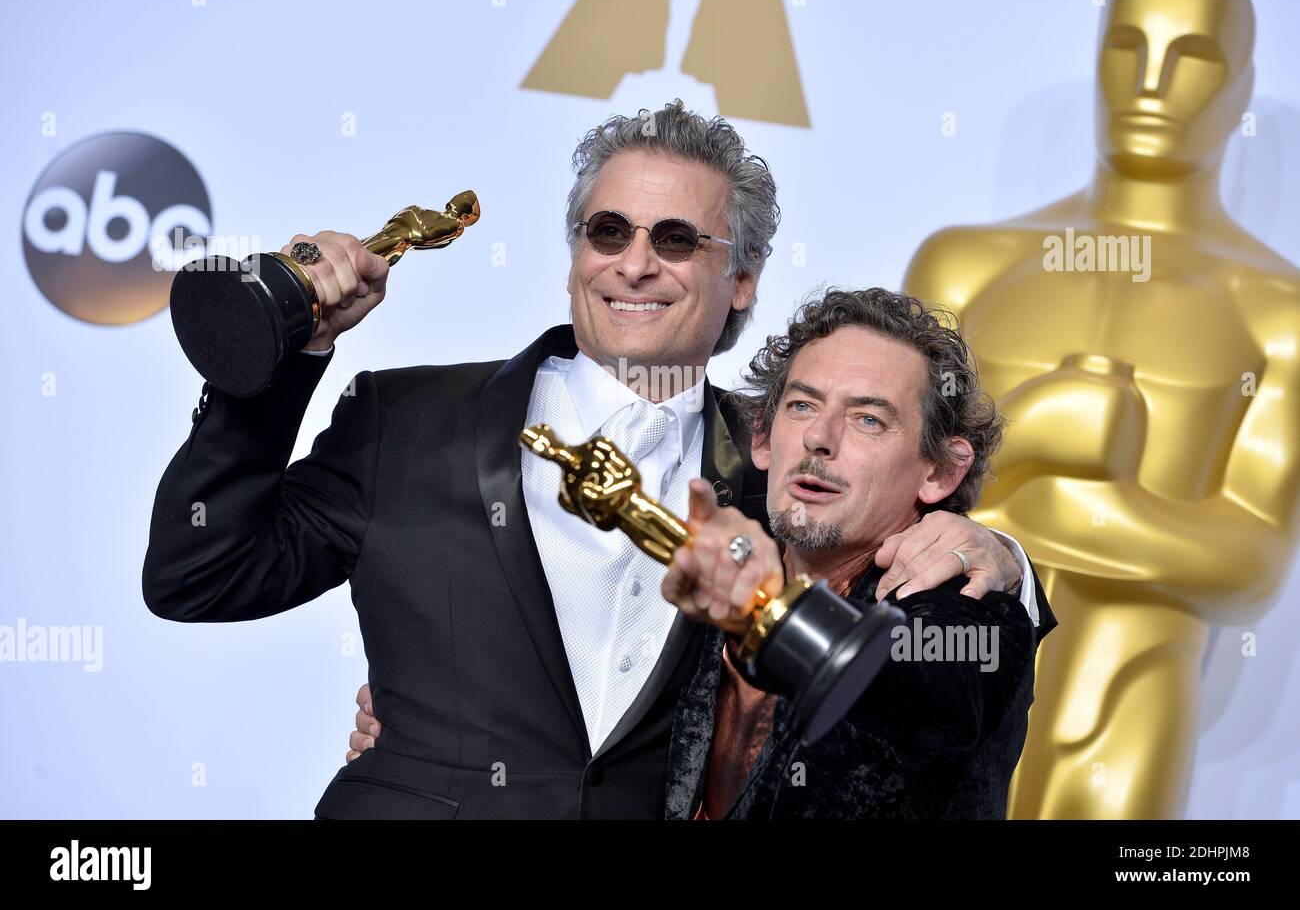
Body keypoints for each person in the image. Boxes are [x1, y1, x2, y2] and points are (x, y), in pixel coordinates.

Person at [144, 101, 1037, 819]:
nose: (635, 263)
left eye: (677, 239)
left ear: (743, 280)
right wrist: (270, 358)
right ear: (574, 253)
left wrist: (1011, 563)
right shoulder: (408, 418)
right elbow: (200, 573)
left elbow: (895, 610)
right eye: (607, 231)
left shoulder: (778, 469)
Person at [658, 288, 1057, 818]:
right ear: (762, 437)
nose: (819, 438)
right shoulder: (719, 556)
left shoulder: (974, 606)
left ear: (940, 471)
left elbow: (932, 703)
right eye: (802, 405)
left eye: (868, 419)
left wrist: (770, 612)